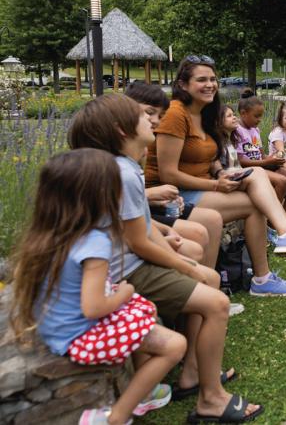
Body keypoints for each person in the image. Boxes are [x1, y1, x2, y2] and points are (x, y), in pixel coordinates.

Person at [68, 95, 262, 422]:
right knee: (214, 300)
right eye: (143, 117)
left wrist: (166, 235)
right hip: (127, 269)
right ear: (121, 130)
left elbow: (134, 222)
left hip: (128, 261)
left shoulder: (125, 167)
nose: (152, 121)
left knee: (210, 278)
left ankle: (193, 373)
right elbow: (137, 241)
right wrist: (182, 264)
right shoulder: (123, 173)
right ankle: (210, 399)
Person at [10, 149, 187, 425]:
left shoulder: (48, 232)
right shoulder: (94, 242)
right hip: (79, 335)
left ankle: (145, 390)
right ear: (97, 196)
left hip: (56, 327)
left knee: (145, 309)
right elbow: (93, 308)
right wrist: (124, 292)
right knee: (175, 345)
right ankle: (116, 416)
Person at [144, 56, 286, 297]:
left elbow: (210, 156)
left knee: (257, 178)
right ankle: (279, 245)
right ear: (183, 85)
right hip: (171, 194)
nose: (210, 84)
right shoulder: (176, 114)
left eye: (212, 79)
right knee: (254, 202)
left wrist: (221, 172)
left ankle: (276, 253)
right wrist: (216, 184)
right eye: (201, 80)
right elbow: (169, 174)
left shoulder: (205, 113)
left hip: (203, 185)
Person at [125, 82, 224, 270]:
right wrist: (151, 195)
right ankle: (201, 285)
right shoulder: (120, 157)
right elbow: (113, 203)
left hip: (147, 208)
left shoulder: (139, 150)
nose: (155, 121)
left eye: (160, 116)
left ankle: (207, 285)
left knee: (210, 221)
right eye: (149, 112)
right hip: (132, 222)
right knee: (197, 236)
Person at [235, 96, 286, 217]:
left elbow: (261, 156)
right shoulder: (237, 131)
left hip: (262, 166)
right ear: (243, 113)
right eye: (257, 116)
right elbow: (241, 161)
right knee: (281, 181)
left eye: (261, 116)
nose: (260, 119)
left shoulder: (255, 129)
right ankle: (272, 220)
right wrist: (267, 162)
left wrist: (273, 158)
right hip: (250, 169)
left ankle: (285, 215)